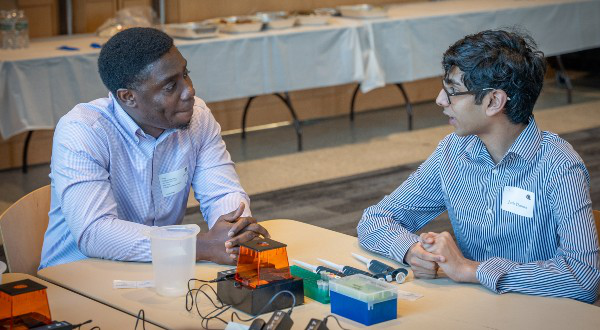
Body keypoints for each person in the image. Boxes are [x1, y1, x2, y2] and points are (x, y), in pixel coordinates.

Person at [357, 29, 600, 303]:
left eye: (452, 91)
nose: (440, 100)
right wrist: (413, 251)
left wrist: (472, 270)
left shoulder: (558, 165)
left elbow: (583, 279)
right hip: (475, 306)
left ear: (494, 101)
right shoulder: (453, 152)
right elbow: (374, 220)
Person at [40, 27, 268, 269]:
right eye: (170, 87)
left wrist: (234, 234)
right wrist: (199, 246)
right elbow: (95, 232)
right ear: (128, 97)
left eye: (185, 74)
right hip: (74, 278)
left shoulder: (197, 117)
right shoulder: (84, 129)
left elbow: (222, 194)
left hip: (156, 270)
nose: (189, 91)